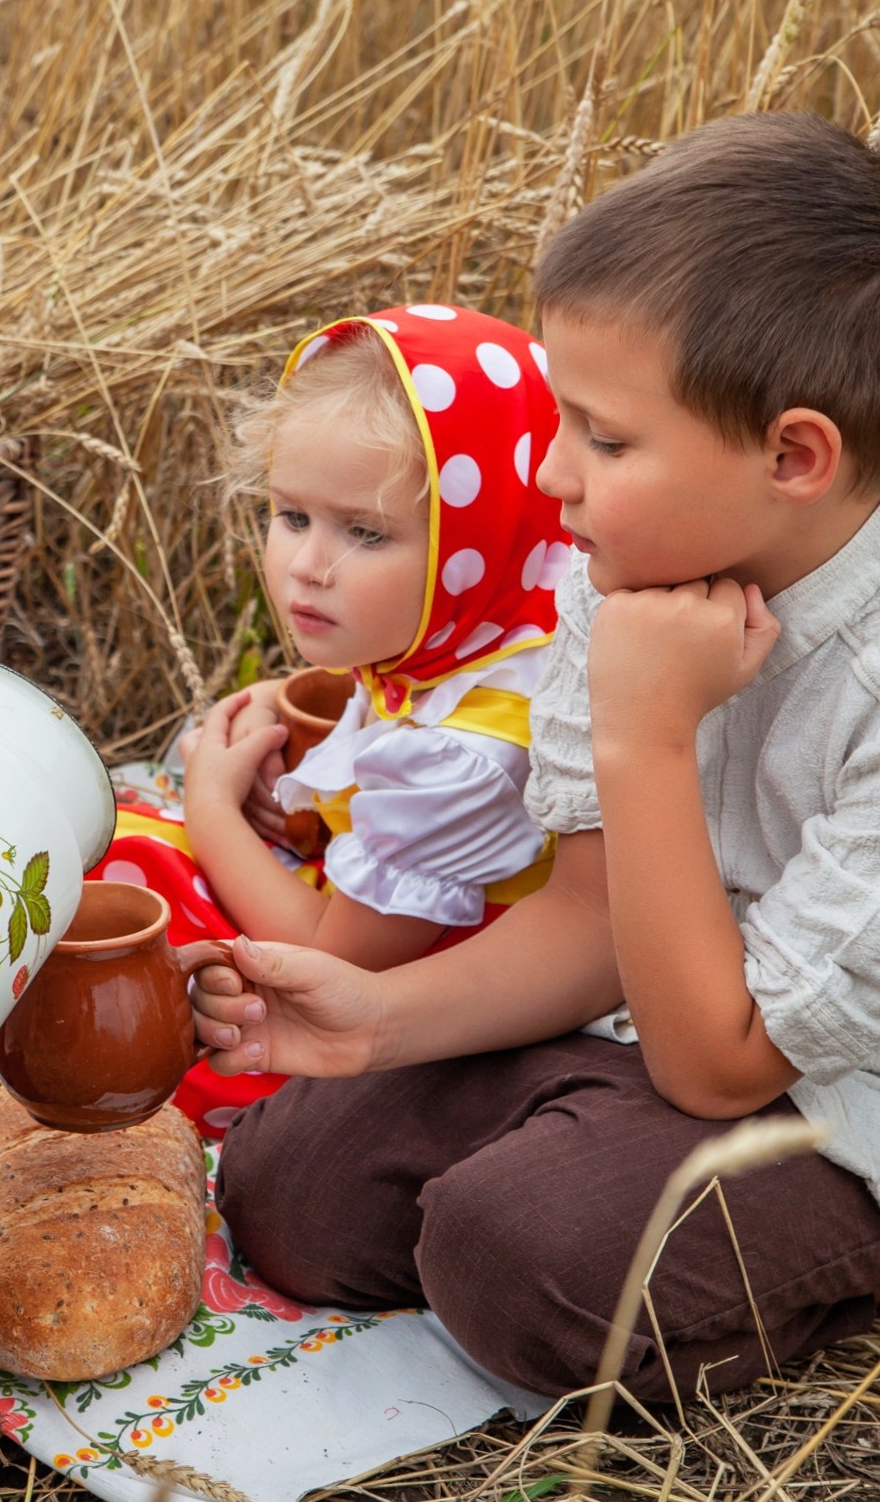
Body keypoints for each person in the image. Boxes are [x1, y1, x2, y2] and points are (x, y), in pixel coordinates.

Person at [196, 112, 880, 1404]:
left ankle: (822, 1266)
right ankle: (562, 1153)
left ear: (793, 455)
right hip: (639, 1020)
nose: (548, 476)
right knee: (285, 1187)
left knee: (511, 1256)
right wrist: (375, 1022)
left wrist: (643, 730)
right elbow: (582, 918)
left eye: (602, 439)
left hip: (854, 1110)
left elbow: (719, 1063)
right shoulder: (616, 563)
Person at [97, 304, 572, 1135]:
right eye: (291, 517)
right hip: (373, 939)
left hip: (365, 1031)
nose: (307, 567)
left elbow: (324, 960)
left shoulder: (463, 757)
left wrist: (212, 807)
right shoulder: (485, 634)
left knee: (109, 878)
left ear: (484, 537)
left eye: (363, 532)